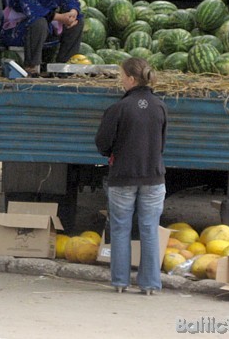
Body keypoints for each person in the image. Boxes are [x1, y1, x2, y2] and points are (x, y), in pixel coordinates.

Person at [95, 57, 167, 295]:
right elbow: (161, 145)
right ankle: (149, 285)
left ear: (131, 79)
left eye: (121, 76)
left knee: (120, 229)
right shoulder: (159, 106)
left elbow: (103, 144)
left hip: (123, 177)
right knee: (149, 229)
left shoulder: (118, 108)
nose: (120, 80)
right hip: (153, 178)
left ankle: (120, 282)